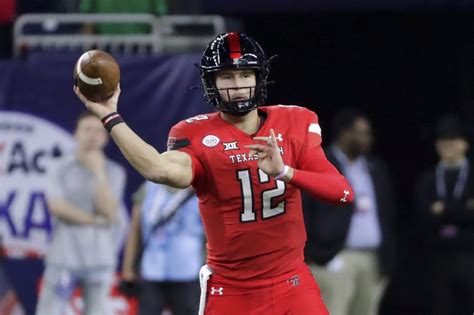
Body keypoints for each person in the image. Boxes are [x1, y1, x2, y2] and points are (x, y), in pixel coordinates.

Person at [74, 32, 354, 315]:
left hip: (291, 283)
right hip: (232, 291)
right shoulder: (194, 134)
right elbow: (158, 169)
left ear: (259, 77)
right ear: (212, 83)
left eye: (245, 75)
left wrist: (285, 172)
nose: (238, 86)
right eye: (227, 77)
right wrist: (110, 116)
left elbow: (342, 192)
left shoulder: (295, 121)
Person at [303, 109, 397, 315]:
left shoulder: (375, 167)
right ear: (345, 133)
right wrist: (313, 254)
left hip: (372, 259)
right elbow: (304, 210)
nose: (368, 139)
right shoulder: (320, 163)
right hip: (334, 257)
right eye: (362, 133)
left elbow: (387, 212)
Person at [36, 111, 127, 315]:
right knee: (49, 311)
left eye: (98, 131)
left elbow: (110, 211)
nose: (92, 135)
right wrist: (96, 220)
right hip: (64, 258)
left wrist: (98, 173)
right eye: (87, 129)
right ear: (76, 133)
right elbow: (57, 207)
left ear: (105, 138)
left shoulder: (114, 172)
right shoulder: (58, 168)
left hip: (100, 260)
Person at [414, 114, 474, 315]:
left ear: (464, 144)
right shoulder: (427, 179)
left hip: (469, 255)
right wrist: (463, 208)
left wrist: (443, 209)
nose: (447, 145)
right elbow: (423, 216)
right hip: (438, 258)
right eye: (442, 141)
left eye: (453, 140)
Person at [121, 182, 203, 315]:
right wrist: (128, 268)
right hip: (152, 271)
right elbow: (135, 230)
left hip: (188, 272)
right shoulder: (147, 187)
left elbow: (213, 234)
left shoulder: (200, 187)